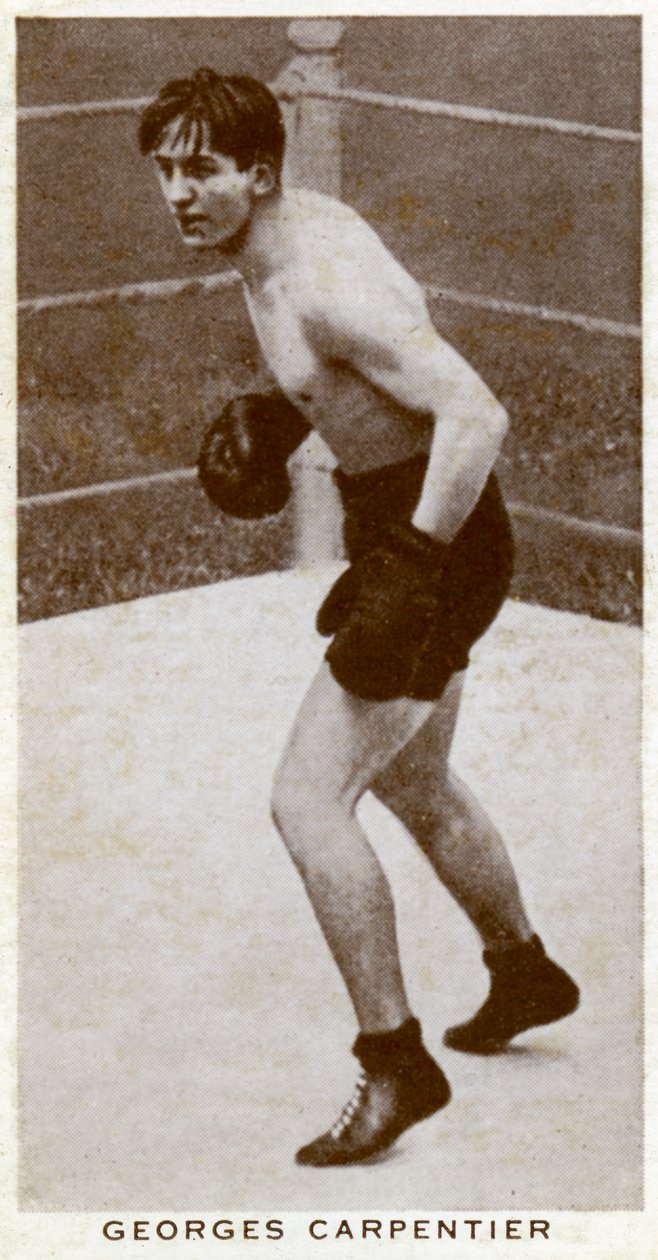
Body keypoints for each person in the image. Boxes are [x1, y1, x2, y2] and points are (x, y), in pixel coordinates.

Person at [138, 68, 580, 1167]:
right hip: (426, 526)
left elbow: (475, 411)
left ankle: (395, 1063)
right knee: (414, 780)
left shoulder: (318, 280)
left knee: (307, 799)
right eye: (165, 170)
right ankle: (525, 973)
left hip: (436, 535)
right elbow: (372, 374)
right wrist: (300, 416)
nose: (179, 194)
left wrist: (411, 565)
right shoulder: (285, 235)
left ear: (258, 173)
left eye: (202, 170)